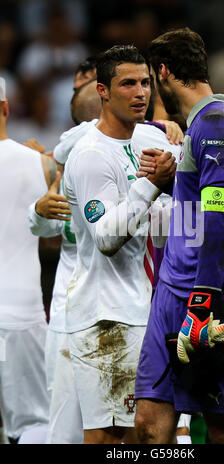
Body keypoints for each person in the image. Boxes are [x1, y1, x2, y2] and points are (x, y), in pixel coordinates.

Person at [134, 27, 224, 444]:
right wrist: (175, 183)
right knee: (150, 426)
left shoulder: (217, 126)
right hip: (173, 289)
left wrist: (202, 302)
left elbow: (219, 217)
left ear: (164, 72)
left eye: (152, 81)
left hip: (213, 295)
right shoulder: (202, 126)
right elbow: (202, 202)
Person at [46, 46, 177, 445]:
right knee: (108, 438)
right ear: (102, 90)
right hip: (105, 315)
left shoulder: (147, 142)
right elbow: (105, 237)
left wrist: (168, 194)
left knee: (140, 434)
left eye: (145, 83)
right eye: (128, 84)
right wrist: (151, 185)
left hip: (138, 306)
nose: (140, 92)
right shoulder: (89, 155)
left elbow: (158, 232)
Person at [0, 76, 57, 444]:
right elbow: (56, 235)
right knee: (33, 423)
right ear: (6, 108)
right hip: (20, 310)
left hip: (21, 312)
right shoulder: (40, 164)